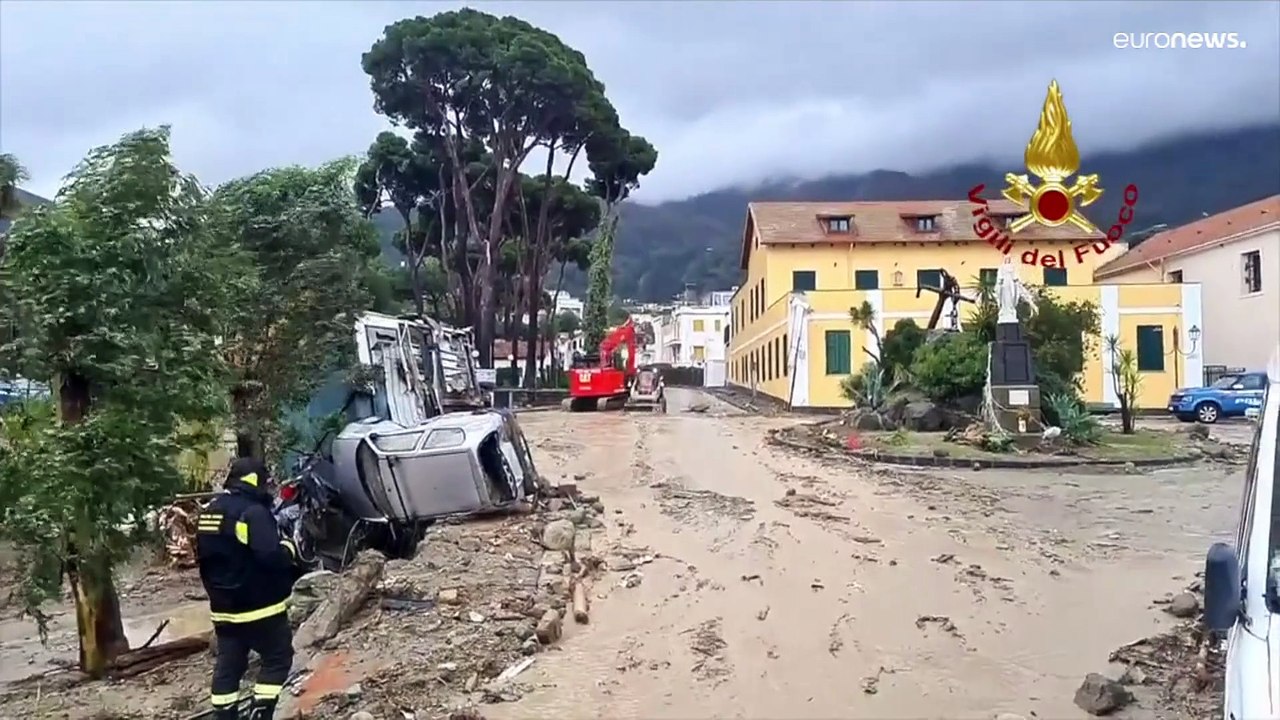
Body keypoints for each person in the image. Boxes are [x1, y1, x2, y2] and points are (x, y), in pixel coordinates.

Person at [196, 457, 298, 720]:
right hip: (260, 608)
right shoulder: (252, 513)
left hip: (223, 611)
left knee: (229, 667)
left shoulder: (209, 513)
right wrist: (289, 550)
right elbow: (270, 557)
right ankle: (260, 715)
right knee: (277, 658)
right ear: (254, 481)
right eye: (265, 482)